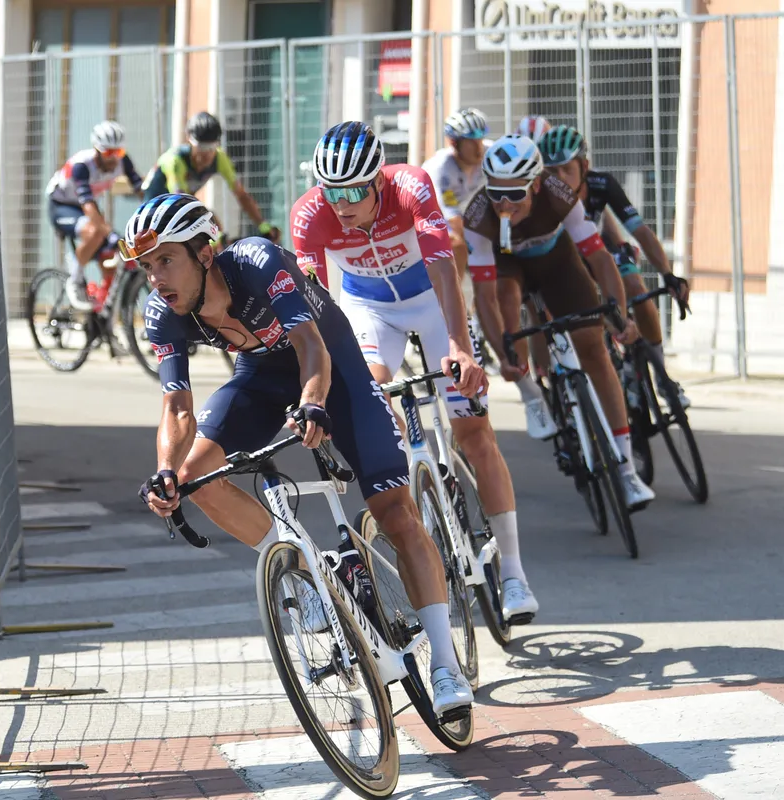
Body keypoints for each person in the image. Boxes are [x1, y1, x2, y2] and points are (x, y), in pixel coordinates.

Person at [132, 193, 474, 715]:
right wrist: (164, 473)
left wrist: (313, 403)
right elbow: (177, 407)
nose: (156, 278)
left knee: (395, 512)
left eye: (165, 260)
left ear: (204, 254)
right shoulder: (163, 312)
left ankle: (446, 665)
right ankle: (311, 573)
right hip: (261, 379)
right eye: (147, 267)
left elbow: (312, 346)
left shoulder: (256, 261)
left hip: (334, 367)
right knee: (194, 477)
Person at [292, 121, 540, 623]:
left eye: (354, 191)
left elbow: (444, 269)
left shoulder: (410, 185)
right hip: (368, 310)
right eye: (332, 191)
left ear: (378, 182)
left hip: (429, 301)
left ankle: (514, 572)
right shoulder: (311, 214)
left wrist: (460, 347)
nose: (342, 204)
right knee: (372, 393)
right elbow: (312, 306)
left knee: (475, 434)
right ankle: (408, 486)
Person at [463, 134, 656, 509]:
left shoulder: (558, 193)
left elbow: (599, 258)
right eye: (496, 194)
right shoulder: (478, 216)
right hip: (509, 267)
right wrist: (503, 353)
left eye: (514, 194)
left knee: (594, 351)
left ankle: (627, 470)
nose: (503, 205)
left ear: (536, 184)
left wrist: (618, 314)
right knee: (507, 300)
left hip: (556, 262)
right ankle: (530, 393)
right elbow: (484, 298)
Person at [422, 108, 557, 440]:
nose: (479, 148)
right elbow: (453, 223)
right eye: (471, 142)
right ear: (454, 143)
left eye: (481, 140)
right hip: (450, 238)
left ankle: (538, 373)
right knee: (457, 243)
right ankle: (455, 304)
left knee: (512, 295)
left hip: (491, 234)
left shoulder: (491, 157)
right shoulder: (439, 169)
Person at [537, 125, 691, 408]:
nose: (559, 178)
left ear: (584, 167)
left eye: (566, 169)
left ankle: (661, 374)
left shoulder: (602, 184)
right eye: (551, 171)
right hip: (567, 263)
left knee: (636, 288)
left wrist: (668, 274)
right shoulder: (543, 197)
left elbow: (640, 231)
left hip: (600, 253)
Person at [45, 121, 144, 311]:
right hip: (62, 206)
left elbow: (141, 191)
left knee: (110, 259)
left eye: (118, 152)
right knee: (96, 232)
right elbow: (88, 205)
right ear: (97, 150)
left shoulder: (123, 162)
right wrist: (109, 233)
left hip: (86, 208)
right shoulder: (82, 165)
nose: (114, 158)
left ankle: (100, 312)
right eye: (108, 153)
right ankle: (75, 279)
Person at [142, 112, 280, 242]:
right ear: (189, 141)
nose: (206, 154)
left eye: (211, 147)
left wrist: (263, 225)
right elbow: (180, 201)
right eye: (201, 147)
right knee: (209, 224)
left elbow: (242, 195)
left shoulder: (220, 158)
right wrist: (213, 234)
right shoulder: (175, 161)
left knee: (211, 222)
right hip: (153, 216)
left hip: (177, 209)